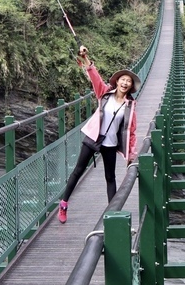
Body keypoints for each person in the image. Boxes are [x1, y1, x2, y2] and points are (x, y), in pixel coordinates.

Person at [57, 45, 140, 223]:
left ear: (131, 87)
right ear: (117, 82)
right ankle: (63, 205)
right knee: (78, 171)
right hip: (93, 137)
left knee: (110, 177)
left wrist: (131, 156)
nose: (125, 83)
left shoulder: (130, 106)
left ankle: (114, 214)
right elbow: (95, 78)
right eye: (123, 80)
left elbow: (131, 131)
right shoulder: (104, 94)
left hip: (109, 144)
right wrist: (86, 59)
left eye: (129, 82)